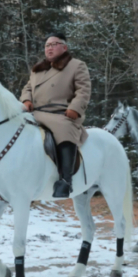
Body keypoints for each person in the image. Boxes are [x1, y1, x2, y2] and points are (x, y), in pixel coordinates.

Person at [20, 33, 91, 197]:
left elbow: (83, 90)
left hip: (61, 114)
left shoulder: (76, 66)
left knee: (64, 130)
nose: (49, 48)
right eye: (47, 45)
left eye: (54, 44)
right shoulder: (38, 69)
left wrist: (75, 108)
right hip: (35, 112)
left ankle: (66, 181)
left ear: (64, 47)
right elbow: (28, 88)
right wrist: (26, 100)